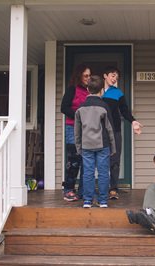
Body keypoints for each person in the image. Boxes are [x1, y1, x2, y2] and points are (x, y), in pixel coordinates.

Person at [74, 75, 116, 208]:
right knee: (103, 172)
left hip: (86, 145)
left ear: (87, 89)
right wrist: (113, 147)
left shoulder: (80, 108)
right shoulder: (104, 106)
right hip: (102, 144)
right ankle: (103, 201)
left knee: (88, 172)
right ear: (102, 89)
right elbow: (110, 128)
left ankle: (87, 200)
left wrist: (78, 147)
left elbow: (77, 130)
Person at [102, 66, 143, 200]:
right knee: (99, 159)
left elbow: (125, 111)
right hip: (98, 131)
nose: (114, 79)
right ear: (105, 76)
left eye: (116, 77)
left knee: (114, 160)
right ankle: (99, 189)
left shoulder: (118, 93)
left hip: (115, 131)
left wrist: (133, 122)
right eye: (112, 76)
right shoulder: (96, 92)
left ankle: (113, 188)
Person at [60, 64, 91, 201]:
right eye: (86, 75)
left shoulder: (90, 91)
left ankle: (83, 191)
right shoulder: (72, 89)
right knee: (74, 161)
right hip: (72, 128)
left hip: (87, 130)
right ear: (79, 76)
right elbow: (64, 108)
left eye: (90, 75)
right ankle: (68, 189)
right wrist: (78, 116)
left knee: (87, 161)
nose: (88, 78)